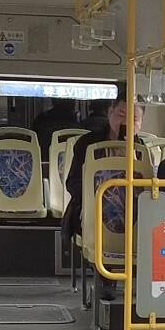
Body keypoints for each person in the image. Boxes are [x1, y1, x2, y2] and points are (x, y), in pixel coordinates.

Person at [61, 94, 137, 251]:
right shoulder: (87, 144)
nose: (126, 123)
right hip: (93, 210)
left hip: (131, 215)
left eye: (134, 119)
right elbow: (73, 183)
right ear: (110, 113)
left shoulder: (142, 151)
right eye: (121, 115)